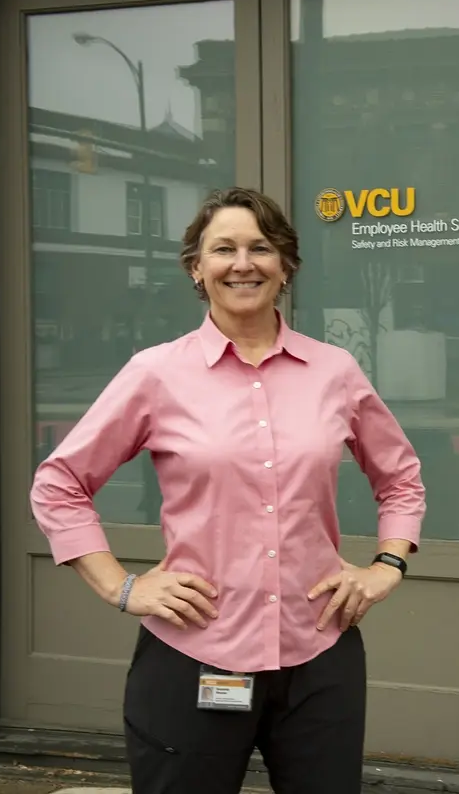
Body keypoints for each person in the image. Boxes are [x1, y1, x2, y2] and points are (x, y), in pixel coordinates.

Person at [29, 187, 425, 794]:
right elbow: (60, 483)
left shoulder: (335, 372)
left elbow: (399, 476)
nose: (244, 263)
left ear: (286, 265)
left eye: (261, 247)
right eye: (224, 249)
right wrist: (120, 584)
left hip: (319, 651)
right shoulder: (155, 373)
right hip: (194, 649)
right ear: (197, 267)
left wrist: (387, 565)